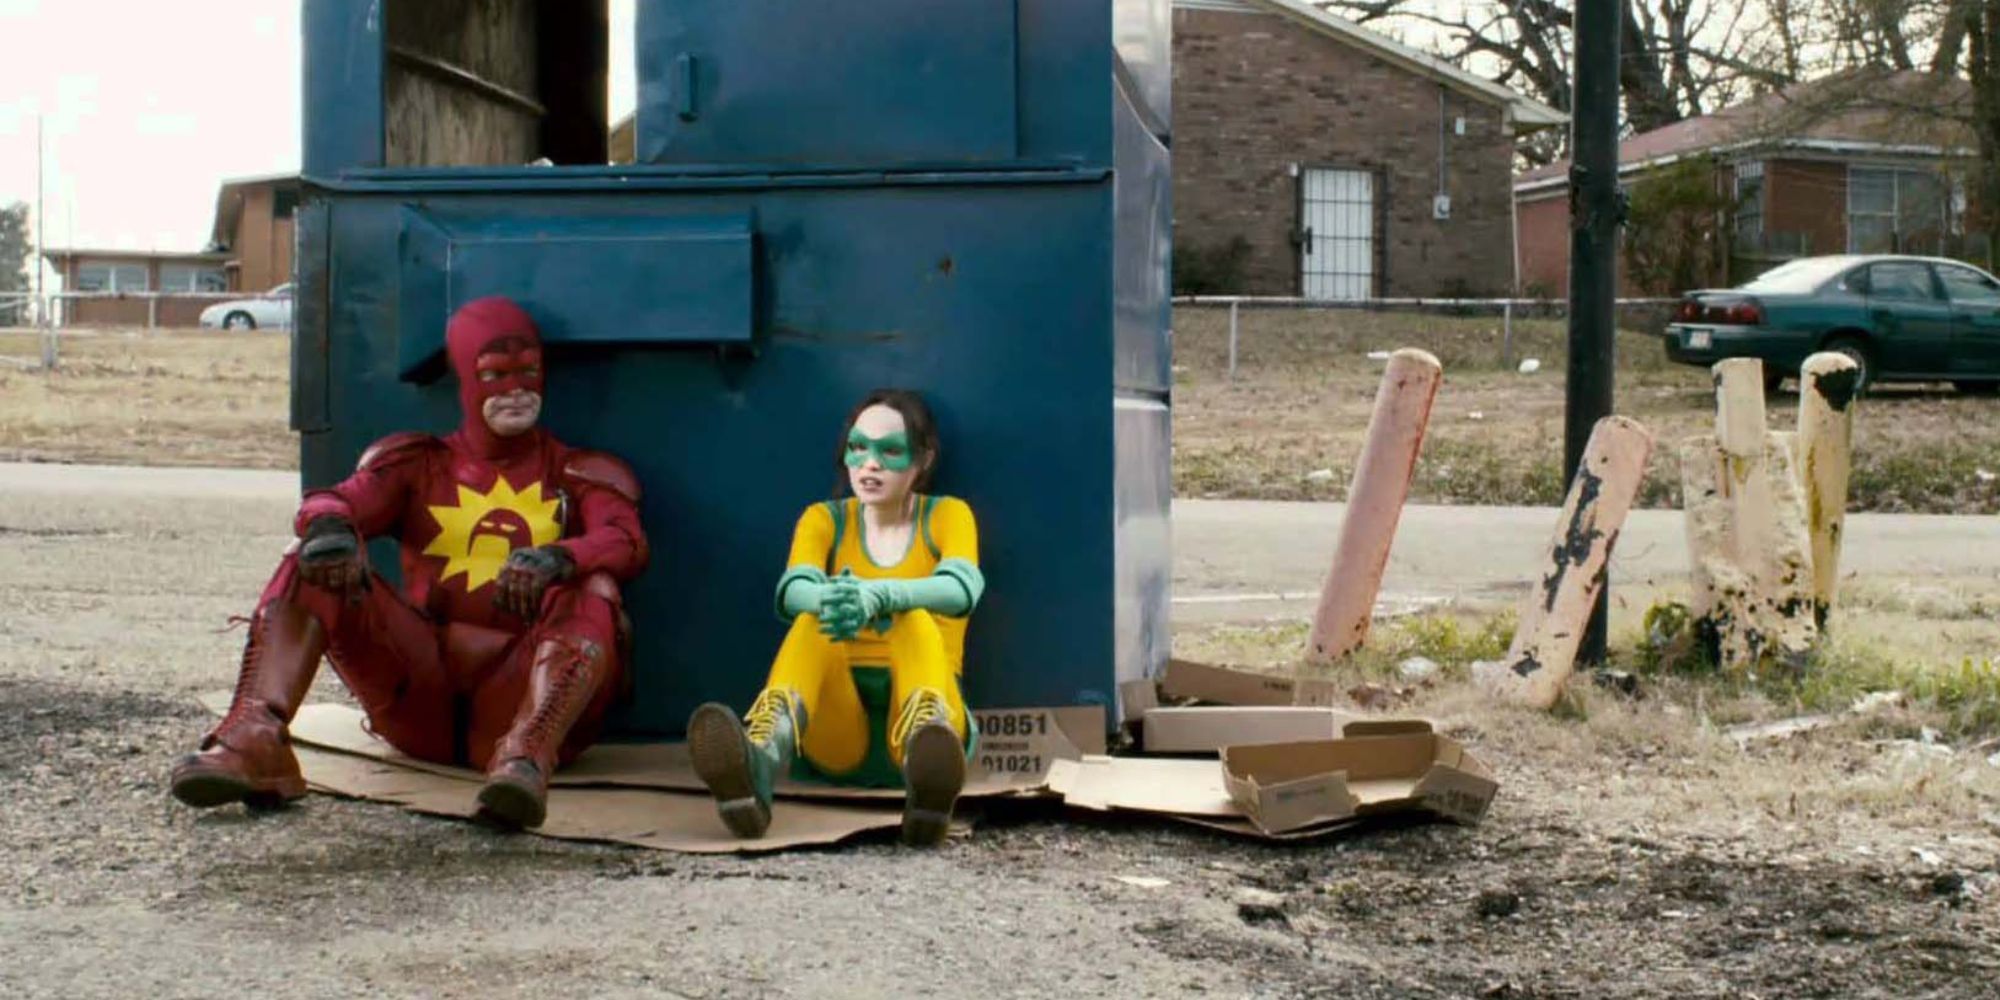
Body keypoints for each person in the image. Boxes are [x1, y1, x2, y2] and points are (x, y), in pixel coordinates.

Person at [169, 296, 649, 830]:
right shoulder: (417, 465)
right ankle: (253, 739)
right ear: (466, 377)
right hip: (418, 698)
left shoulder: (578, 471)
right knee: (314, 561)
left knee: (595, 588)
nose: (516, 390)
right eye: (495, 373)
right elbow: (338, 500)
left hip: (525, 706)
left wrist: (562, 557)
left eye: (528, 372)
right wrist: (329, 527)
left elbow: (623, 539)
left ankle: (526, 756)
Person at [687, 389, 983, 846]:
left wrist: (881, 596)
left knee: (913, 617)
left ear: (921, 460)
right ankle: (762, 756)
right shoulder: (824, 519)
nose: (870, 464)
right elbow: (793, 590)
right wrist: (830, 601)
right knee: (811, 618)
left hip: (923, 722)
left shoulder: (947, 514)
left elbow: (963, 587)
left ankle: (928, 772)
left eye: (890, 451)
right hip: (838, 735)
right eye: (858, 447)